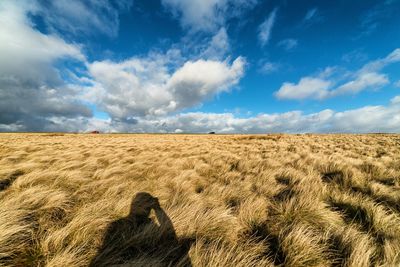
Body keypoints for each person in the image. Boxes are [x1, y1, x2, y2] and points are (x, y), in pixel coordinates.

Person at [90, 192, 192, 266]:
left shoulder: (115, 224)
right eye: (147, 207)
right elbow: (170, 235)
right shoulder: (150, 226)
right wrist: (158, 208)